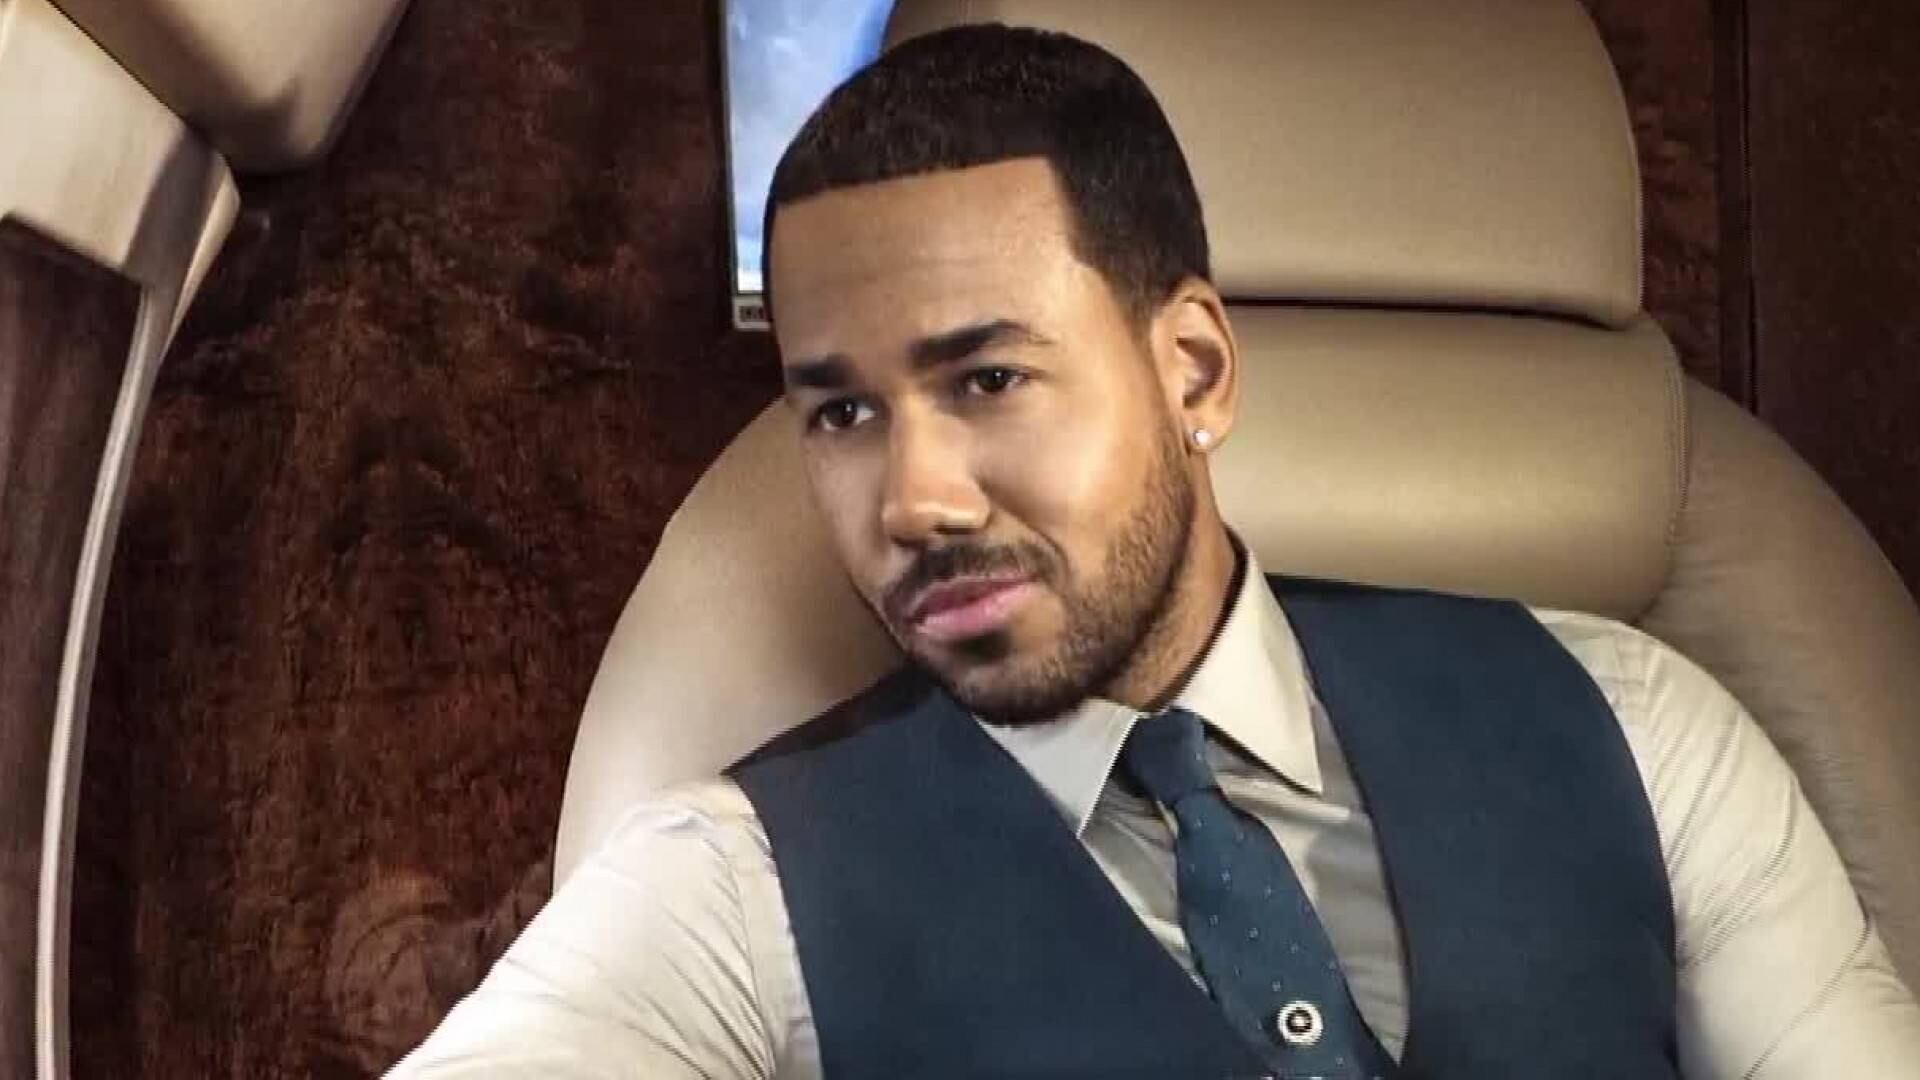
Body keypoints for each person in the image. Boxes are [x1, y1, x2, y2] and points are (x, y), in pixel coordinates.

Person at [392, 24, 1920, 1078]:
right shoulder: (731, 888)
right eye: (843, 412)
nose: (913, 499)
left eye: (989, 378)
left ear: (1194, 370)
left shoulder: (1635, 730)